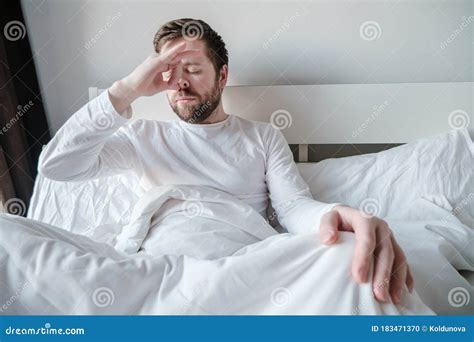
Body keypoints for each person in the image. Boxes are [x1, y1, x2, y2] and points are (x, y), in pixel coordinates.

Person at [38, 18, 413, 305]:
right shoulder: (142, 136)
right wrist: (127, 89)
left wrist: (338, 215)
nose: (180, 83)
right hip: (157, 268)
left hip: (242, 266)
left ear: (222, 75)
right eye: (170, 71)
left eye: (194, 69)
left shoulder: (262, 137)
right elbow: (57, 166)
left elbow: (294, 208)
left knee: (348, 254)